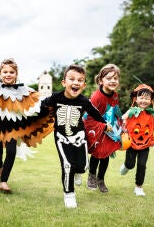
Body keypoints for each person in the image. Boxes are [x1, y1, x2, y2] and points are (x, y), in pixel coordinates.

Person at [0, 58, 54, 194]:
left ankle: (3, 181)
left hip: (12, 128)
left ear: (16, 74)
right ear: (0, 73)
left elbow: (39, 100)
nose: (8, 74)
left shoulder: (24, 90)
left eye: (11, 72)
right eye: (5, 72)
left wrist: (56, 100)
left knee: (11, 152)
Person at [41, 65, 112, 208]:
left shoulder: (84, 101)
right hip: (61, 137)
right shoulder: (56, 97)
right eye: (72, 79)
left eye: (80, 80)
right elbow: (41, 107)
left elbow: (95, 113)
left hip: (79, 136)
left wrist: (105, 124)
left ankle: (77, 171)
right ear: (63, 82)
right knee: (67, 165)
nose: (76, 83)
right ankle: (69, 194)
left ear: (84, 85)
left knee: (81, 167)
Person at [119, 84, 154, 196]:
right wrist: (122, 126)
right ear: (135, 99)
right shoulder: (131, 111)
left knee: (142, 165)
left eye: (147, 98)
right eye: (141, 97)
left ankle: (138, 187)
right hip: (131, 143)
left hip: (145, 144)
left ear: (151, 100)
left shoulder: (152, 113)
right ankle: (126, 165)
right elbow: (121, 119)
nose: (144, 100)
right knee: (131, 164)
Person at [84, 64, 123, 193]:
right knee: (97, 154)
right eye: (109, 78)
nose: (113, 81)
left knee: (106, 155)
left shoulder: (115, 95)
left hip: (110, 130)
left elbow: (115, 111)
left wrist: (120, 126)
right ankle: (92, 175)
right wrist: (102, 126)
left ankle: (101, 179)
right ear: (101, 81)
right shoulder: (97, 97)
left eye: (115, 78)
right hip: (97, 129)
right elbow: (89, 117)